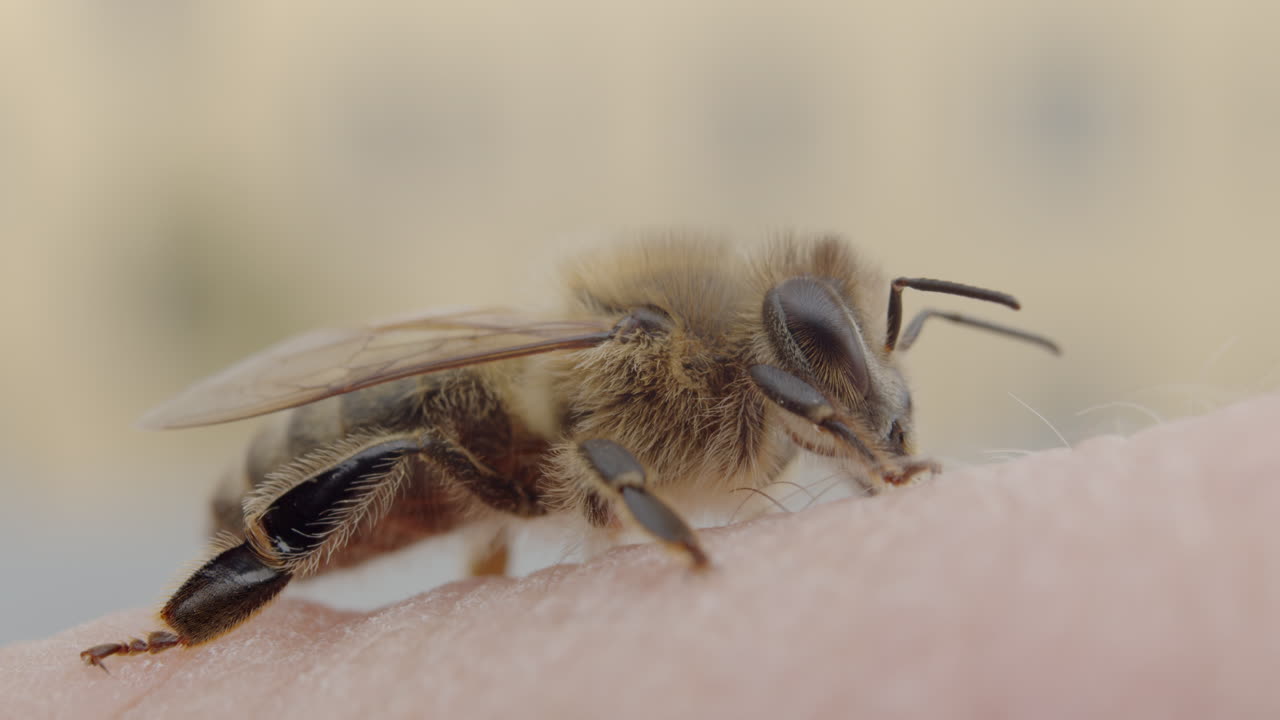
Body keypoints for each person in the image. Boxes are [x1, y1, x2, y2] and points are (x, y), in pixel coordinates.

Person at [3, 395, 1277, 718]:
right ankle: (179, 634)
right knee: (424, 451)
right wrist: (687, 567)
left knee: (478, 471)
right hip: (382, 468)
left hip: (484, 476)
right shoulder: (666, 366)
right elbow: (595, 455)